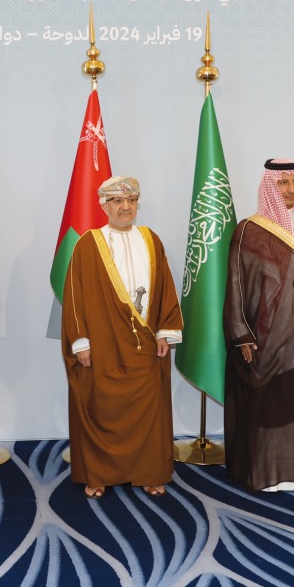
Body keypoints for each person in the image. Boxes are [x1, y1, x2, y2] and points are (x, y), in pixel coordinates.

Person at [62, 175, 183, 499]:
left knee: (148, 409)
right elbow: (74, 297)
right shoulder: (89, 243)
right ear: (105, 205)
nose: (125, 207)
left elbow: (166, 288)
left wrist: (164, 332)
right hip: (104, 343)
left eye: (130, 201)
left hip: (144, 342)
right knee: (103, 407)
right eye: (117, 201)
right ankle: (99, 474)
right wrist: (80, 341)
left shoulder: (151, 239)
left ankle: (149, 472)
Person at [223, 159, 294, 492]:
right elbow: (235, 284)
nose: (289, 190)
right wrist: (241, 332)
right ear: (270, 186)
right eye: (282, 183)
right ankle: (271, 470)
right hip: (266, 333)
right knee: (271, 398)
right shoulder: (249, 230)